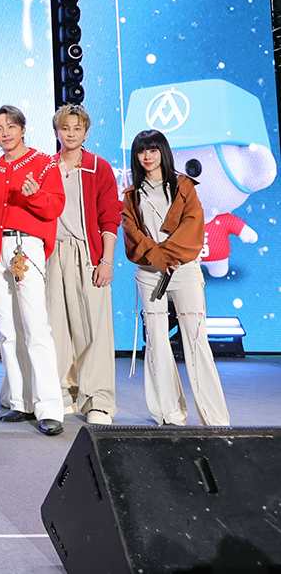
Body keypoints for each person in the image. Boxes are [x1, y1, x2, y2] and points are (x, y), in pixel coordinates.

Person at [121, 129, 230, 426]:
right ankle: (169, 413)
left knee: (196, 340)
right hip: (149, 273)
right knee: (156, 342)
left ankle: (215, 418)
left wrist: (167, 258)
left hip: (184, 270)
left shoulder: (183, 186)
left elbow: (192, 227)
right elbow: (133, 235)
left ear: (164, 152)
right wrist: (159, 260)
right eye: (141, 150)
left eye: (153, 150)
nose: (147, 156)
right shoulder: (131, 195)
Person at [0, 105, 66, 436]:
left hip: (25, 246)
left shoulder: (44, 163)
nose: (5, 133)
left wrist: (35, 196)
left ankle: (50, 408)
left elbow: (55, 206)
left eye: (11, 126)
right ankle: (20, 401)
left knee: (35, 327)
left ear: (22, 128)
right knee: (6, 330)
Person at [47, 105, 122, 425]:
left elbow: (110, 217)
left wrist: (106, 260)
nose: (71, 133)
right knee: (56, 327)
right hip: (52, 254)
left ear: (86, 132)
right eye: (65, 128)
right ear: (57, 132)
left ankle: (98, 400)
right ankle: (64, 394)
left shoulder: (97, 167)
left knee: (94, 328)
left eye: (77, 128)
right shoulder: (46, 167)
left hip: (88, 253)